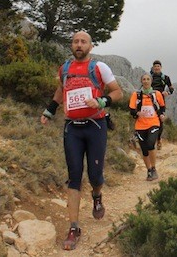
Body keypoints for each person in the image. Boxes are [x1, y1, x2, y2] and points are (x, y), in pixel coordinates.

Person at [40, 31, 123, 251]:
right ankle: (74, 227)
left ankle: (97, 195)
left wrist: (101, 101)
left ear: (90, 45)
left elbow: (117, 92)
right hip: (72, 128)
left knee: (95, 175)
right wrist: (50, 110)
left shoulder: (99, 68)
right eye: (75, 41)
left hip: (96, 126)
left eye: (83, 41)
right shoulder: (65, 69)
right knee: (74, 175)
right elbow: (61, 89)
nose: (79, 45)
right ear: (71, 45)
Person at [129, 73, 165, 181]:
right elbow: (131, 109)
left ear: (151, 81)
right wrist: (137, 113)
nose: (146, 81)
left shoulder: (156, 94)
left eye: (148, 79)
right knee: (144, 150)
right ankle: (149, 170)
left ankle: (154, 168)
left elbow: (162, 107)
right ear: (141, 81)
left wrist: (162, 114)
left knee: (150, 144)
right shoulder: (136, 95)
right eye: (144, 79)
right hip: (140, 125)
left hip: (154, 123)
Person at [150, 60, 173, 149]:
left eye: (158, 66)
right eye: (155, 66)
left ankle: (159, 139)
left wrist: (167, 92)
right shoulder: (149, 77)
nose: (156, 68)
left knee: (160, 119)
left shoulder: (165, 78)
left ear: (161, 67)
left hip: (160, 101)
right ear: (153, 68)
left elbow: (171, 89)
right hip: (150, 100)